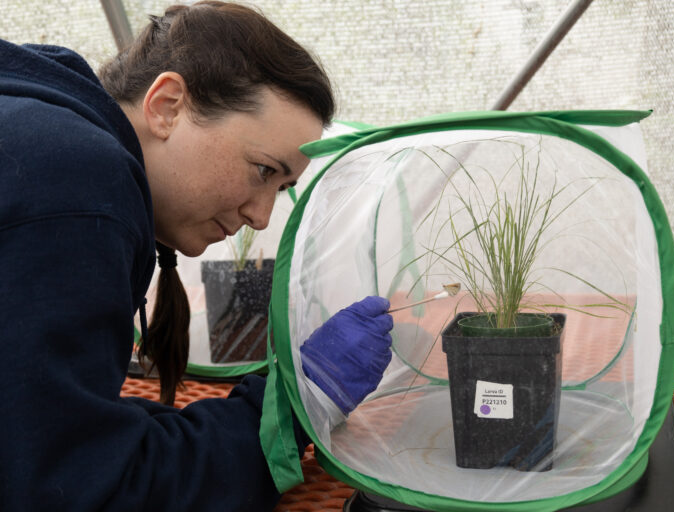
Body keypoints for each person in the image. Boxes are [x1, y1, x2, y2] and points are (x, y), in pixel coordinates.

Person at [0, 2, 393, 510]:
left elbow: (51, 437)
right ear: (166, 106)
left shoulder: (37, 133)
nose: (262, 216)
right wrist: (297, 407)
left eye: (284, 187)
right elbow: (82, 491)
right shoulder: (73, 183)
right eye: (262, 170)